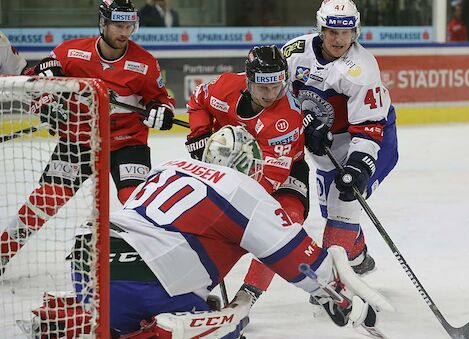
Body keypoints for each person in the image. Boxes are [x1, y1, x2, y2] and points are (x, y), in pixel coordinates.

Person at [30, 125, 394, 337]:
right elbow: (295, 259)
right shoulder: (245, 189)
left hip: (89, 262)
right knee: (227, 328)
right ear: (250, 165)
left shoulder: (171, 166)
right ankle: (163, 331)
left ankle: (73, 317)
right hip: (147, 281)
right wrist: (340, 297)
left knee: (181, 308)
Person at [0, 0, 175, 274]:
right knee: (44, 200)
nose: (125, 31)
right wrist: (47, 104)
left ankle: (156, 269)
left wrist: (161, 111)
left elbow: (161, 100)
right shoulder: (69, 53)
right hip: (78, 142)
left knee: (139, 205)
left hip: (127, 142)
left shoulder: (144, 63)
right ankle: (2, 254)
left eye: (130, 25)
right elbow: (36, 86)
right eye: (118, 25)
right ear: (103, 23)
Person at [282, 0, 399, 279]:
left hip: (372, 141)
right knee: (331, 212)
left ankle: (333, 281)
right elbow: (276, 94)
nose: (338, 39)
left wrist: (359, 164)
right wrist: (301, 121)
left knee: (343, 204)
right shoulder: (295, 53)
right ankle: (357, 256)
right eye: (332, 31)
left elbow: (370, 125)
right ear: (321, 29)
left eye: (345, 32)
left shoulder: (362, 69)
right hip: (326, 147)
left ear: (355, 32)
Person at [185, 45, 309, 304]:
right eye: (263, 87)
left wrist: (228, 194)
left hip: (285, 173)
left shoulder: (285, 119)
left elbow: (271, 178)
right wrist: (200, 135)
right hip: (230, 167)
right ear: (248, 80)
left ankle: (249, 295)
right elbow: (198, 100)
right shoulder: (225, 87)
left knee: (286, 223)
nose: (271, 94)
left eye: (276, 86)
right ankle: (192, 287)